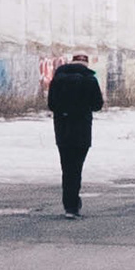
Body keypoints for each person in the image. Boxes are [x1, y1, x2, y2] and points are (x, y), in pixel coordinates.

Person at [45, 50, 104, 214]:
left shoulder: (57, 80)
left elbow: (51, 104)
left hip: (62, 130)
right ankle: (72, 205)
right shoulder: (90, 80)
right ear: (86, 64)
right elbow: (98, 105)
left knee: (66, 167)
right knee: (76, 168)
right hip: (82, 131)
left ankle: (69, 204)